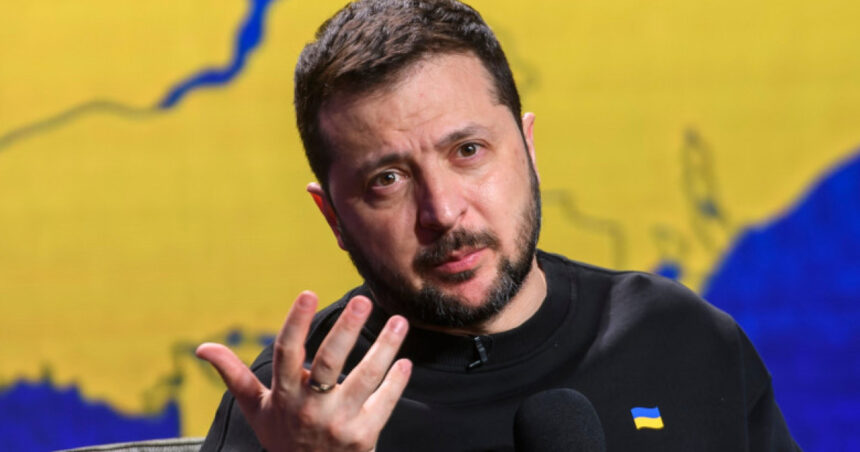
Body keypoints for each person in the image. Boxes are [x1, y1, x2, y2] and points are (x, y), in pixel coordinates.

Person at [197, 0, 800, 450]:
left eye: (468, 151)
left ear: (528, 149)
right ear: (333, 216)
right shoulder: (293, 414)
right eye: (388, 179)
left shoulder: (681, 337)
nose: (442, 211)